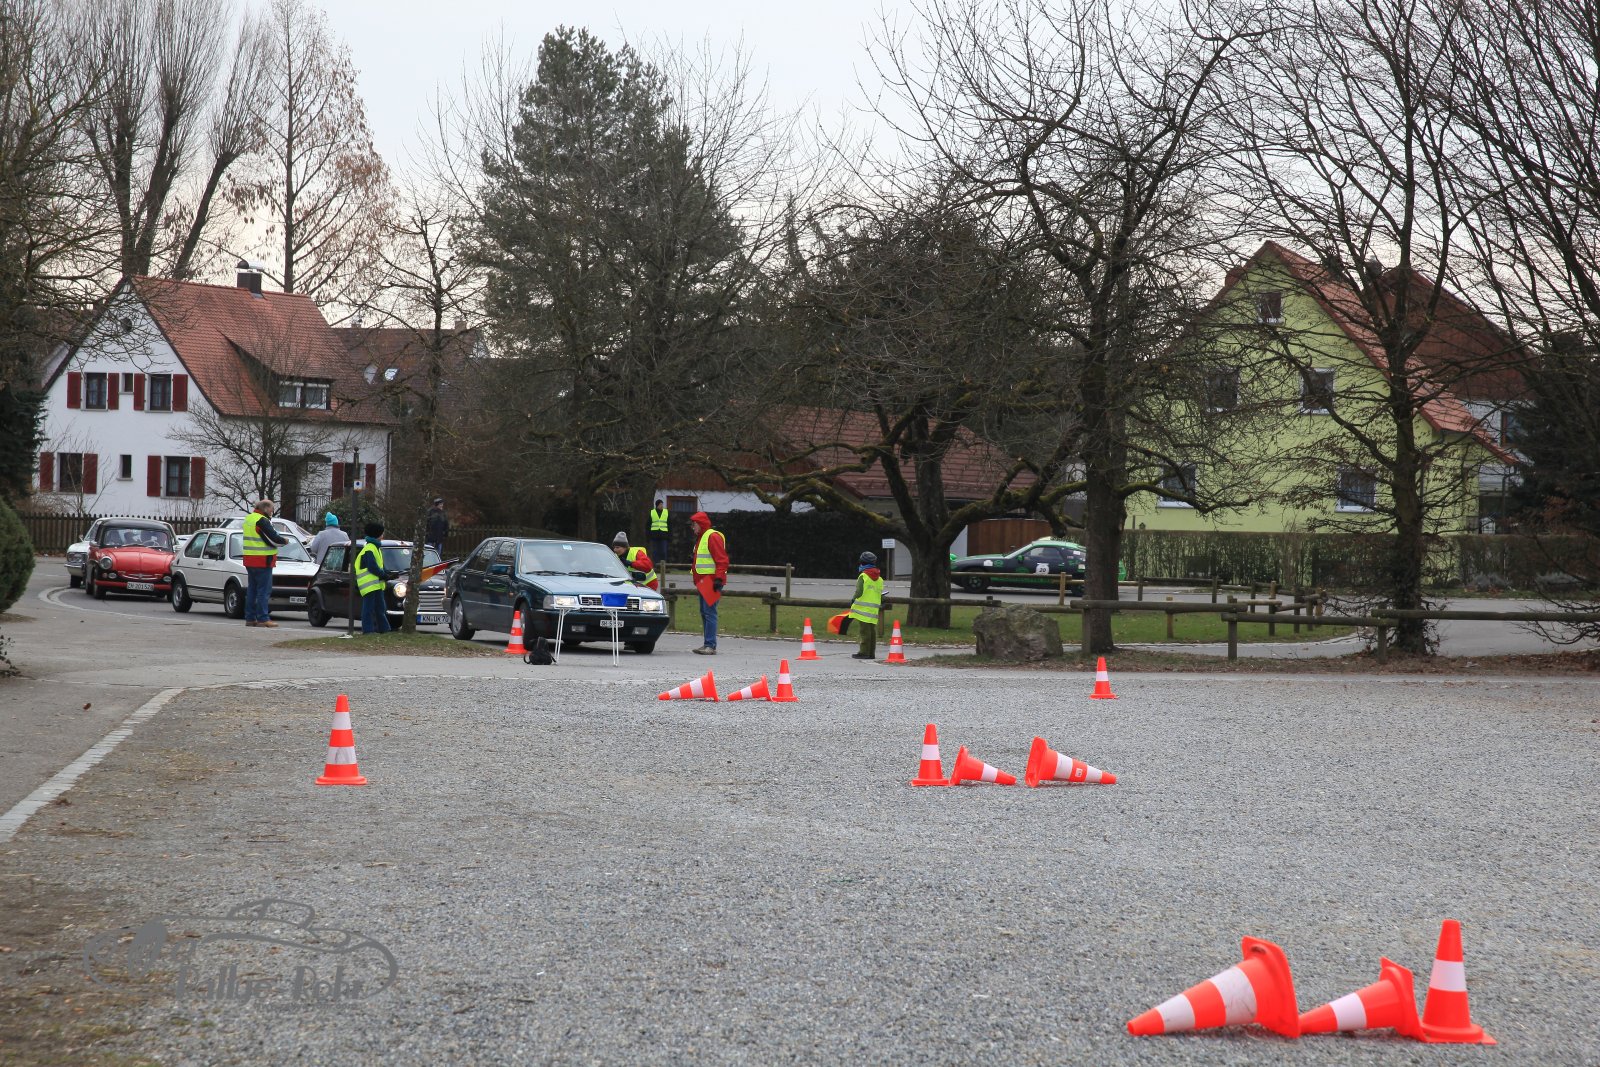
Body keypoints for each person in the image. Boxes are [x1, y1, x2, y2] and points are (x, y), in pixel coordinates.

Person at [241, 499, 288, 628]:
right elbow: (273, 539)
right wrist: (284, 541)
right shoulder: (262, 520)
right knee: (263, 591)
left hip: (249, 559)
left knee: (252, 590)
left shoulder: (249, 519)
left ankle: (250, 618)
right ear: (266, 509)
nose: (272, 511)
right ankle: (263, 618)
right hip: (262, 560)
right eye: (272, 509)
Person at [688, 511, 726, 655]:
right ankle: (707, 644)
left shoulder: (712, 537)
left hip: (711, 581)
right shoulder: (703, 537)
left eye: (694, 524)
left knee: (709, 613)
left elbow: (722, 560)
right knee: (705, 613)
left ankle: (710, 645)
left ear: (700, 524)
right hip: (704, 581)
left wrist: (718, 579)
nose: (692, 527)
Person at [354, 521, 391, 635]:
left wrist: (385, 574)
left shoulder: (375, 548)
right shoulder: (370, 548)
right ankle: (368, 630)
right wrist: (383, 575)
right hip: (369, 584)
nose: (383, 536)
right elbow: (372, 567)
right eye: (382, 533)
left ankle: (384, 629)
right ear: (377, 535)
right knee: (369, 608)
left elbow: (378, 566)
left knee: (380, 608)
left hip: (376, 583)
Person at [849, 552, 885, 660]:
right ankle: (871, 653)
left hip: (863, 610)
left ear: (862, 562)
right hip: (873, 610)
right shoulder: (879, 578)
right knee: (872, 631)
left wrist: (853, 599)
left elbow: (859, 592)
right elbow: (880, 594)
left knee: (864, 632)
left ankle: (864, 652)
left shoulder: (863, 576)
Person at [648, 498, 670, 570]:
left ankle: (663, 567)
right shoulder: (652, 512)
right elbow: (648, 525)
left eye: (662, 504)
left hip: (664, 536)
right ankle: (655, 566)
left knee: (663, 552)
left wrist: (670, 535)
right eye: (660, 504)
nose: (662, 506)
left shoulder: (666, 512)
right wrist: (648, 535)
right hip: (654, 536)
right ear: (657, 505)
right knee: (655, 552)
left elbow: (670, 524)